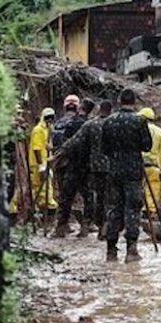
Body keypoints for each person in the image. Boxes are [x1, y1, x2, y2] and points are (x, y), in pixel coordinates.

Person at [100, 88, 151, 262]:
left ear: (119, 101)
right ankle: (131, 250)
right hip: (133, 171)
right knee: (132, 209)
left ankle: (111, 251)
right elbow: (147, 146)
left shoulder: (108, 122)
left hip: (114, 171)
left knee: (114, 209)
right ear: (134, 102)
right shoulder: (139, 121)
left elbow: (104, 149)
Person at [51, 97, 97, 237]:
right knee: (89, 197)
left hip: (71, 165)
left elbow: (64, 143)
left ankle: (61, 227)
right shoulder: (91, 124)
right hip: (86, 166)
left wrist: (57, 157)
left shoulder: (68, 124)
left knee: (66, 196)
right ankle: (86, 226)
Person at [83, 99, 114, 236]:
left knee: (98, 197)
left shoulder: (91, 124)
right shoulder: (114, 124)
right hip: (111, 167)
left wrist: (59, 154)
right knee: (109, 198)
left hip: (95, 167)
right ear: (110, 110)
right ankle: (106, 227)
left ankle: (98, 224)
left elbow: (77, 141)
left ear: (99, 109)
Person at [138, 107, 161, 237]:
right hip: (154, 166)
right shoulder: (160, 132)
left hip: (138, 166)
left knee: (138, 191)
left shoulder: (136, 129)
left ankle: (136, 220)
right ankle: (150, 216)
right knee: (153, 193)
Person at [27, 107, 57, 217]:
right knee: (41, 189)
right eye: (48, 118)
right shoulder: (38, 130)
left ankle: (42, 213)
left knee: (46, 188)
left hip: (45, 163)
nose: (50, 120)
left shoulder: (47, 130)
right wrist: (41, 166)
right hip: (38, 165)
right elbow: (37, 149)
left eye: (52, 118)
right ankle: (45, 213)